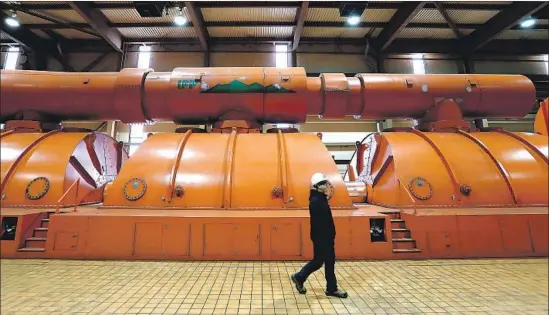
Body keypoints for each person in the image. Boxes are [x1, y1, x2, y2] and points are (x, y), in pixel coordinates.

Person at [291, 173, 348, 298]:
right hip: (322, 237)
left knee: (327, 261)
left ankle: (329, 288)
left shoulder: (320, 198)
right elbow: (320, 222)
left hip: (324, 237)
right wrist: (326, 237)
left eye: (325, 183)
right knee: (320, 261)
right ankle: (300, 277)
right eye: (322, 183)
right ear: (316, 186)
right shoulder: (317, 201)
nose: (325, 185)